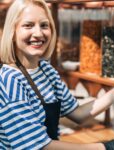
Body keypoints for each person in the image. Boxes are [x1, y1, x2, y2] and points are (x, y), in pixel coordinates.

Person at [0, 0, 108, 149]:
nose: (38, 33)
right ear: (12, 32)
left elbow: (77, 113)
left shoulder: (46, 70)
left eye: (44, 25)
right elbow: (38, 146)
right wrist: (103, 147)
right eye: (28, 25)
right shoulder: (9, 81)